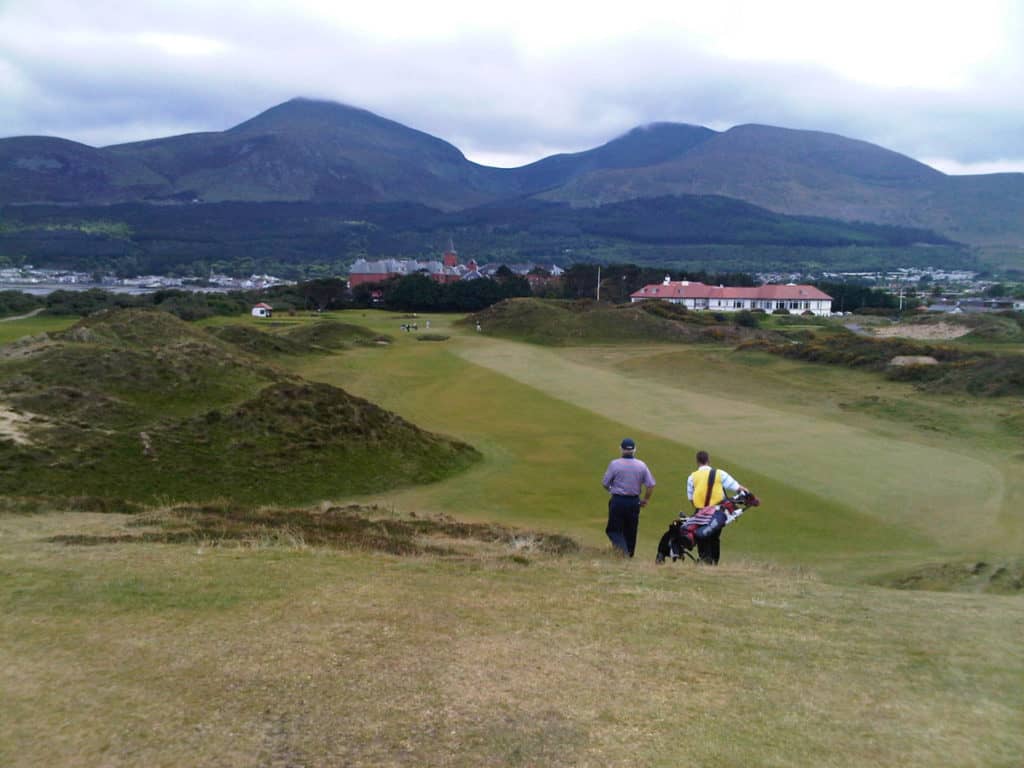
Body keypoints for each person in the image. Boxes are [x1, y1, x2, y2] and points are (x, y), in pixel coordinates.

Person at [685, 450, 748, 564]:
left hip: (701, 512)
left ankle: (705, 561)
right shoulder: (720, 474)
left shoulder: (692, 477)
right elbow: (737, 487)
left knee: (702, 536)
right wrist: (748, 494)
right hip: (718, 512)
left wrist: (700, 511)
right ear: (709, 460)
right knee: (714, 537)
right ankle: (714, 562)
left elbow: (691, 499)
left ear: (697, 462)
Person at [601, 438, 656, 557]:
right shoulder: (641, 465)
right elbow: (650, 485)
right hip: (634, 501)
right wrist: (646, 499)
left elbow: (605, 483)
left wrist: (613, 490)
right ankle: (629, 556)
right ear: (634, 450)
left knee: (613, 530)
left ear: (621, 449)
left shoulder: (615, 464)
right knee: (631, 531)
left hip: (618, 500)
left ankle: (623, 553)